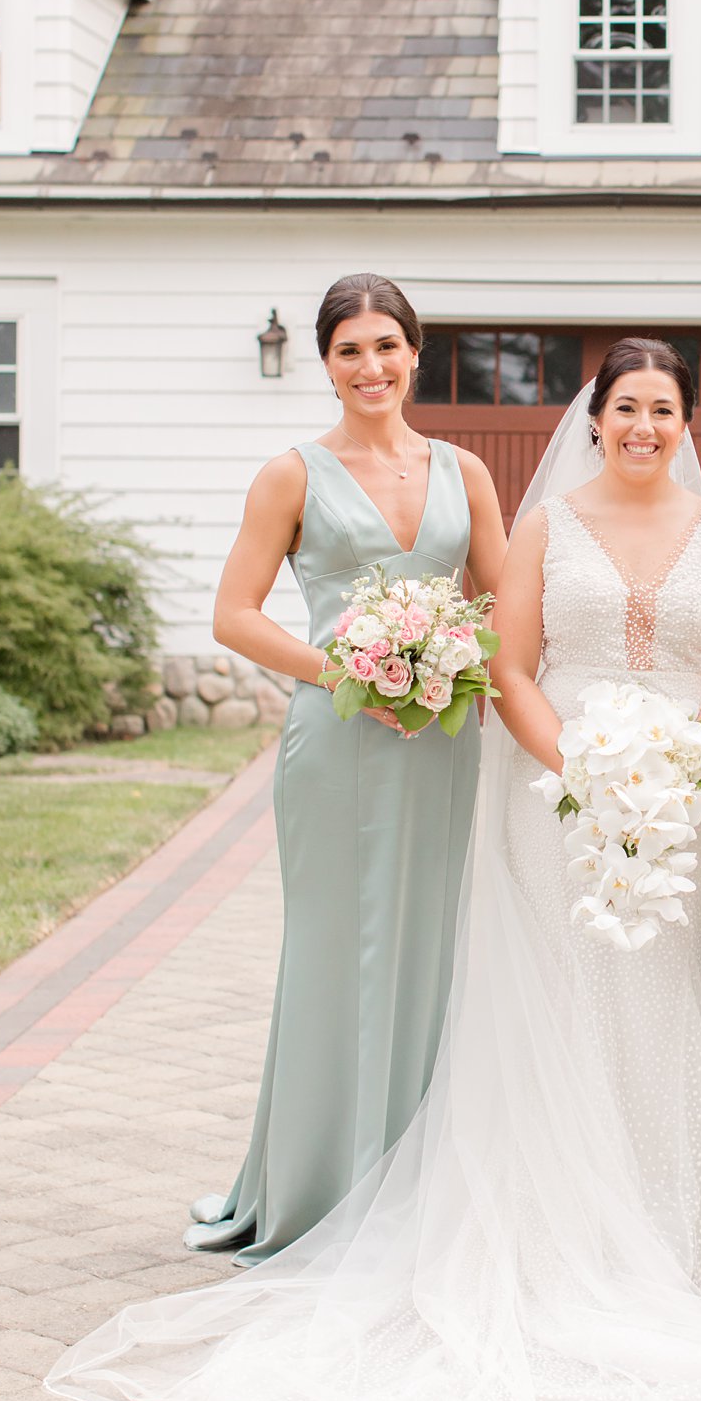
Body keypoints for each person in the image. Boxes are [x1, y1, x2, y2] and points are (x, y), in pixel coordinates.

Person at [45, 339, 701, 1401]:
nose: (642, 425)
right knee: (565, 984)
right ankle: (568, 1228)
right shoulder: (542, 527)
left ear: (688, 423)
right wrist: (578, 765)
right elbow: (513, 664)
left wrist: (687, 751)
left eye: (662, 410)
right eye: (623, 408)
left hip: (684, 789)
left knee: (657, 984)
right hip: (557, 782)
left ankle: (663, 1224)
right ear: (594, 422)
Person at [185, 272, 505, 1263]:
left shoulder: (466, 472)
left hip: (445, 742)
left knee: (429, 947)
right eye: (349, 351)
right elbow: (232, 613)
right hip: (337, 738)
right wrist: (355, 671)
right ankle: (320, 1181)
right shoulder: (291, 474)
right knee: (336, 951)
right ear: (325, 365)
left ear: (417, 354)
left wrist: (447, 668)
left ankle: (420, 1176)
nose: (371, 367)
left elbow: (502, 601)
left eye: (387, 346)